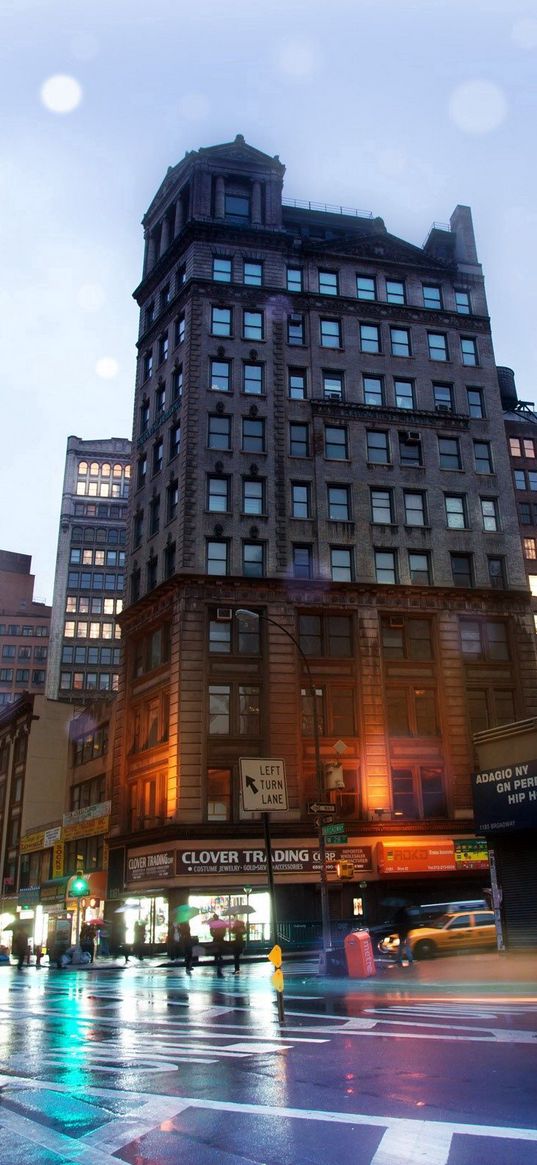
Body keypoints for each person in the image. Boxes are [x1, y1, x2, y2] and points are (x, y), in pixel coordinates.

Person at [208, 913, 226, 977]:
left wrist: (214, 934)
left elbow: (211, 931)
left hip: (217, 937)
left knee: (217, 948)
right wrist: (222, 935)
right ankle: (219, 957)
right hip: (219, 937)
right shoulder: (221, 922)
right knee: (219, 948)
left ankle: (217, 957)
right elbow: (224, 930)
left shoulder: (213, 923)